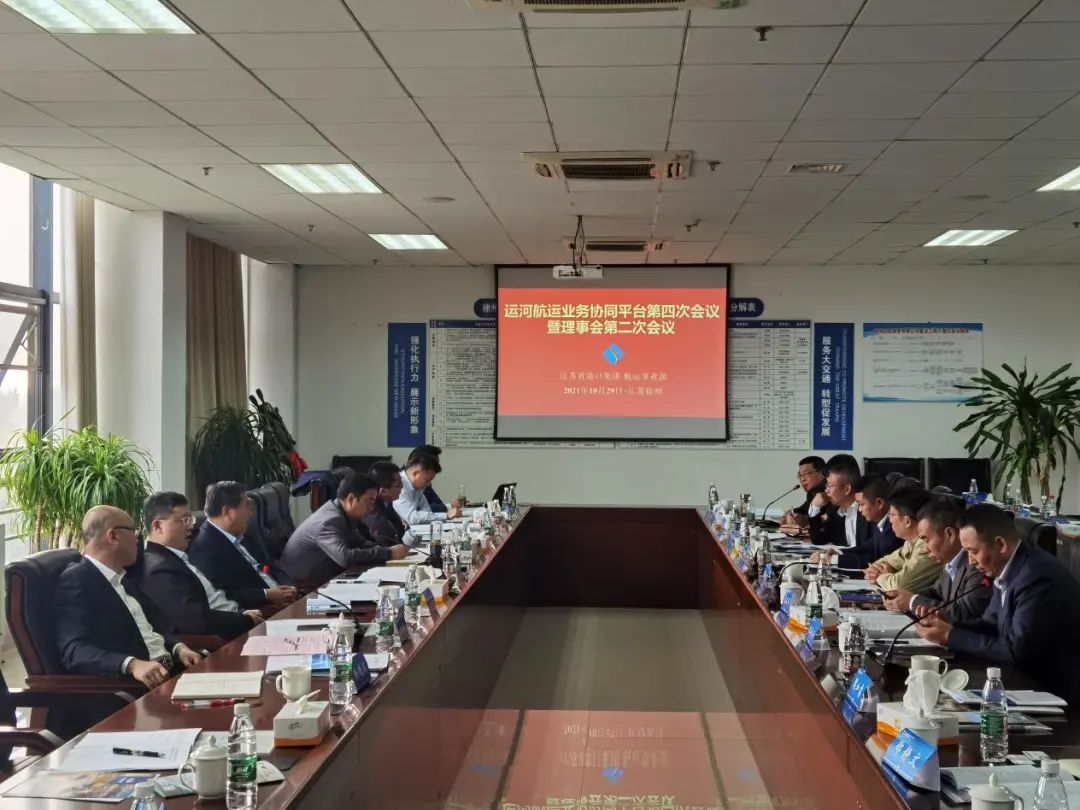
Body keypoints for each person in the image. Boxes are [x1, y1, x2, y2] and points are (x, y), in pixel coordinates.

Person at [916, 504, 1080, 704]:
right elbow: (990, 625)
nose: (970, 561)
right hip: (1020, 681)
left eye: (973, 551)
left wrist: (950, 636)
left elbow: (1015, 650)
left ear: (1001, 545)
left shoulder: (1036, 577)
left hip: (1055, 693)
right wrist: (949, 624)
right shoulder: (1008, 568)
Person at [55, 506, 203, 688]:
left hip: (173, 672)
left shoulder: (122, 578)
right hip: (138, 687)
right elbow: (74, 650)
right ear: (113, 536)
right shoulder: (76, 580)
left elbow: (156, 626)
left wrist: (178, 648)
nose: (138, 539)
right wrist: (131, 664)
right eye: (134, 532)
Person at [137, 491, 264, 639]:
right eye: (184, 520)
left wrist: (243, 614)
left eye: (190, 519)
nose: (190, 526)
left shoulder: (175, 556)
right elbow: (196, 620)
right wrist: (245, 620)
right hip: (225, 640)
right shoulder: (158, 568)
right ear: (158, 526)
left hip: (238, 620)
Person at [280, 472, 410, 585]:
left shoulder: (341, 513)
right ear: (351, 499)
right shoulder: (329, 521)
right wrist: (388, 553)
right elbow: (345, 557)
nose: (372, 508)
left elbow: (360, 543)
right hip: (299, 585)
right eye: (370, 501)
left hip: (322, 575)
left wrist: (387, 550)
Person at [187, 482, 296, 611]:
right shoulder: (204, 549)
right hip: (262, 612)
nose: (250, 513)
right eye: (246, 506)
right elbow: (220, 595)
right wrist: (266, 595)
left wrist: (287, 587)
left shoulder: (242, 536)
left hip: (285, 601)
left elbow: (265, 567)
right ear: (228, 512)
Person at [884, 498, 991, 623]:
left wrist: (911, 601)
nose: (925, 548)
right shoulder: (949, 562)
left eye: (927, 540)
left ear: (949, 534)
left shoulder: (977, 565)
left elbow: (965, 613)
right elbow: (936, 592)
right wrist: (902, 597)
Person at [812, 474, 901, 568]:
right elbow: (866, 547)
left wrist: (832, 559)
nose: (860, 509)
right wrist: (838, 552)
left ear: (879, 503)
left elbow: (874, 559)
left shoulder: (894, 528)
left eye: (862, 504)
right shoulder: (880, 524)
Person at [865, 486, 940, 593]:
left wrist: (880, 577)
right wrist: (884, 571)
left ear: (907, 521)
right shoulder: (910, 543)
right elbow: (882, 563)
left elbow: (899, 585)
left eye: (891, 515)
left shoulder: (927, 547)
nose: (890, 520)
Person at [394, 454, 462, 525]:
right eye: (427, 480)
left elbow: (427, 511)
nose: (429, 484)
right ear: (415, 474)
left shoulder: (417, 488)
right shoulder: (398, 485)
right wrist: (446, 515)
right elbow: (412, 518)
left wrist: (422, 516)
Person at [806, 463, 861, 547]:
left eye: (830, 486)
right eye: (826, 485)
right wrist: (815, 507)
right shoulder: (836, 511)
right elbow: (818, 540)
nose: (826, 490)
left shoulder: (866, 511)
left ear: (847, 489)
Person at [365, 461, 409, 547]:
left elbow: (399, 529)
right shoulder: (372, 512)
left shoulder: (387, 501)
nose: (402, 487)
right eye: (398, 485)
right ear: (383, 491)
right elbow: (388, 541)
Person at [407, 445, 463, 512]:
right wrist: (450, 506)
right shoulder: (400, 482)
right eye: (432, 464)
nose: (435, 468)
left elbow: (433, 505)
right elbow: (415, 511)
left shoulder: (424, 481)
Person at [781, 456, 826, 527]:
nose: (802, 479)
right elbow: (805, 508)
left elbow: (828, 519)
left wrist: (807, 520)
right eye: (800, 475)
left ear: (822, 474)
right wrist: (792, 513)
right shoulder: (811, 493)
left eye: (806, 474)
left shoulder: (831, 492)